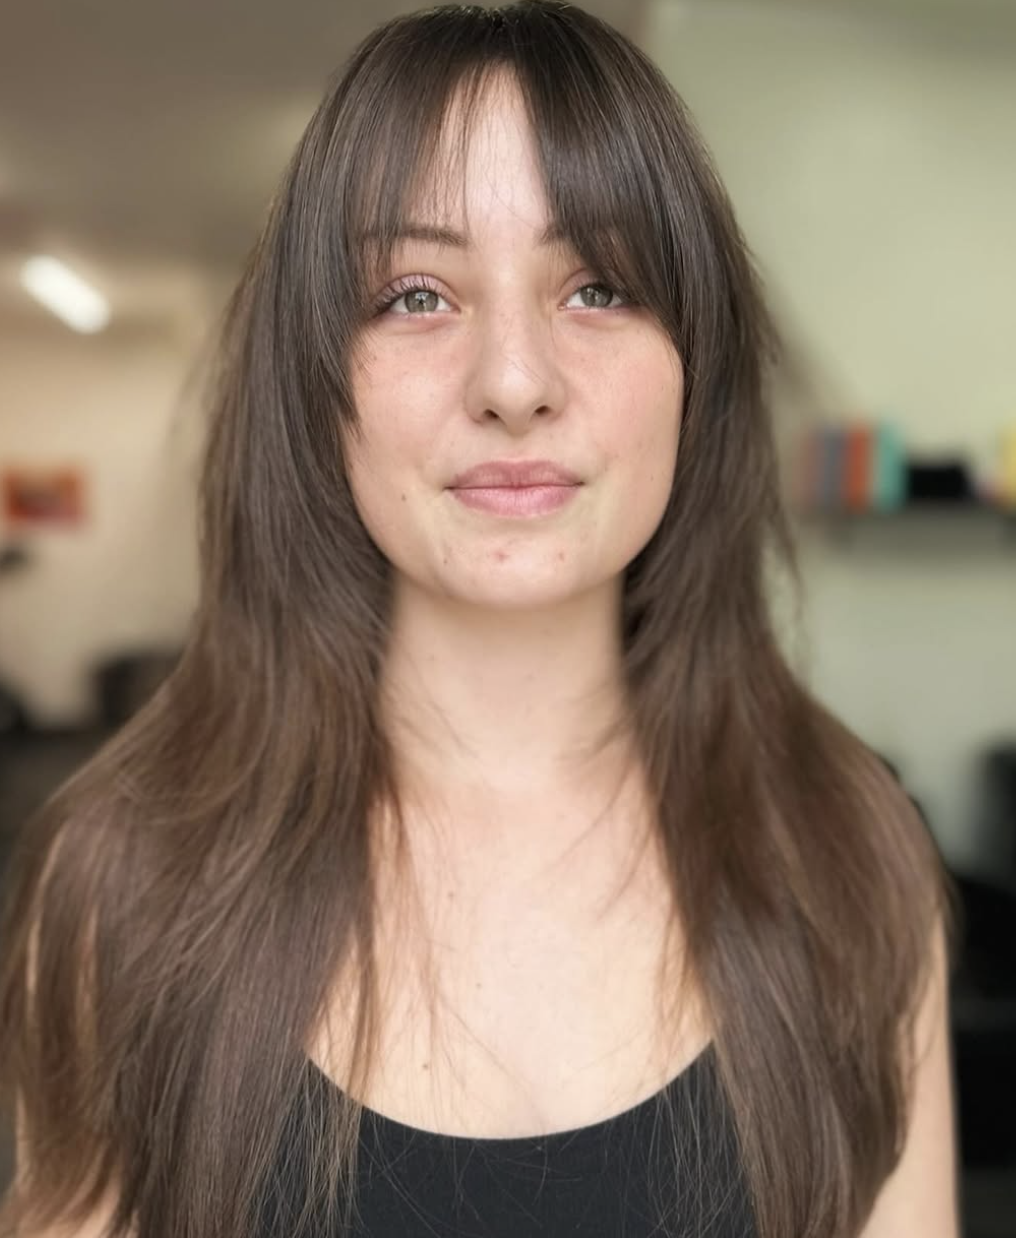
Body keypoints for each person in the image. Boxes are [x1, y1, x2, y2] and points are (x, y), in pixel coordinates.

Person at [0, 2, 960, 1236]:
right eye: (414, 294)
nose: (514, 381)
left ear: (694, 365)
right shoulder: (123, 885)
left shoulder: (848, 857)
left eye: (599, 286)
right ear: (315, 381)